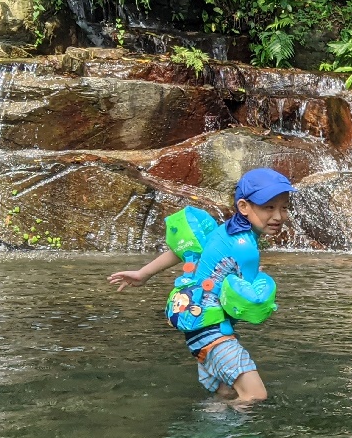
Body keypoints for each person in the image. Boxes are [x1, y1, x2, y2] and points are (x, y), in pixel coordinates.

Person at [108, 168, 295, 405]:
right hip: (211, 330)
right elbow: (248, 304)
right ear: (244, 206)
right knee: (254, 396)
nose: (278, 216)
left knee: (226, 393)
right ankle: (213, 434)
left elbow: (188, 249)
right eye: (269, 207)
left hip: (196, 325)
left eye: (284, 207)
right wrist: (264, 289)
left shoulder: (225, 229)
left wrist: (144, 273)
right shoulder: (245, 248)